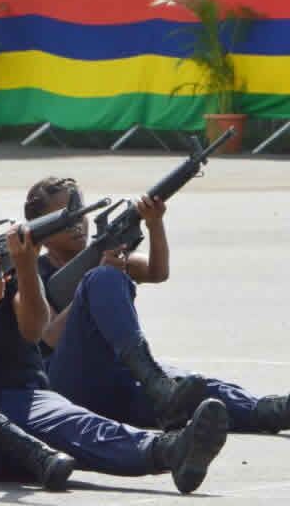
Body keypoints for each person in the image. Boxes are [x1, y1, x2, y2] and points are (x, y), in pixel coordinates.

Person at [0, 182, 229, 494]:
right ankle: (27, 448)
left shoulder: (8, 272)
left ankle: (171, 451)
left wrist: (25, 268)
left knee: (80, 425)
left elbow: (34, 331)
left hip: (26, 410)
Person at [27, 176, 290, 434]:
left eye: (80, 213)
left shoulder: (101, 256)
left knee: (194, 390)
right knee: (103, 278)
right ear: (42, 231)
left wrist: (154, 223)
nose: (78, 224)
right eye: (67, 217)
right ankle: (155, 383)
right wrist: (92, 282)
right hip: (68, 386)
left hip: (117, 378)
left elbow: (157, 271)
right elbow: (49, 336)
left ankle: (267, 412)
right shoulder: (31, 274)